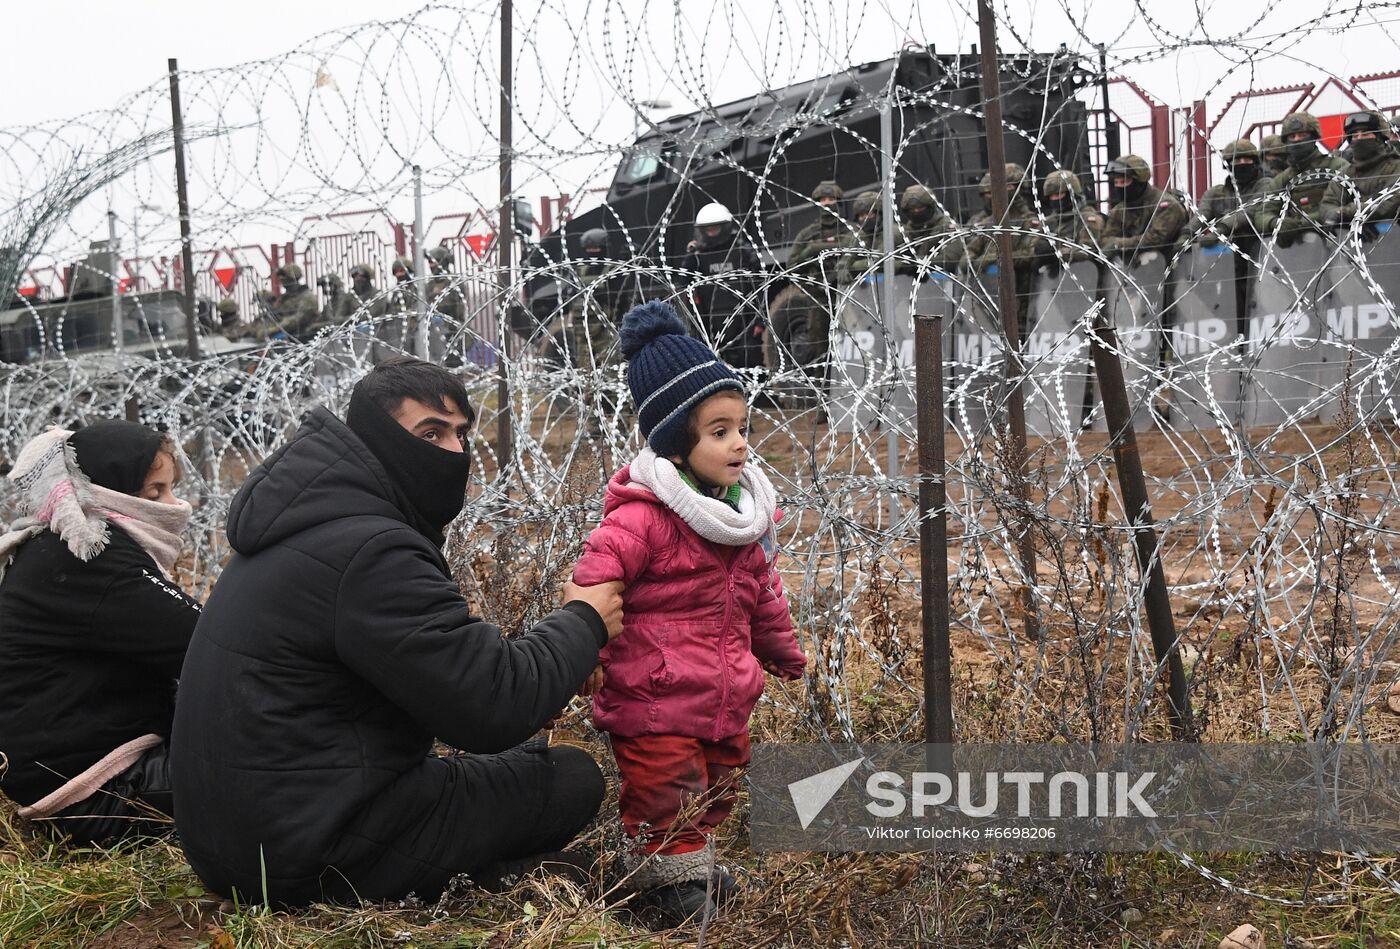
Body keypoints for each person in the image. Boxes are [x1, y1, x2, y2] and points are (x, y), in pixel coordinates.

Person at [171, 357, 624, 906]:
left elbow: (399, 680)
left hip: (241, 838)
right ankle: (507, 881)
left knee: (510, 766)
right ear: (376, 439)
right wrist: (584, 620)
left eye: (461, 434)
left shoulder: (310, 519)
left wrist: (543, 675)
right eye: (430, 433)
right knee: (570, 777)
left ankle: (496, 873)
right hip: (310, 849)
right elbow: (492, 705)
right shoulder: (372, 550)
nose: (455, 453)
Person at [572, 301, 807, 928]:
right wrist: (583, 650)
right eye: (719, 432)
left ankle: (686, 861)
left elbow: (764, 592)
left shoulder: (738, 520)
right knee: (664, 791)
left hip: (723, 693)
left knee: (719, 781)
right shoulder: (642, 516)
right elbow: (595, 580)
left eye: (742, 428)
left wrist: (781, 651)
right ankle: (661, 883)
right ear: (678, 445)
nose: (739, 445)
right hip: (654, 698)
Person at [0, 421, 200, 846]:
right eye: (154, 494)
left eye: (170, 489)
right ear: (109, 491)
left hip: (76, 777)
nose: (175, 505)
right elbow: (206, 644)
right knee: (283, 765)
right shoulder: (90, 556)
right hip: (98, 796)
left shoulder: (67, 543)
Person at [680, 202, 766, 371]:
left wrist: (760, 320)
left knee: (750, 368)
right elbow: (683, 283)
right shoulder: (698, 255)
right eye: (708, 229)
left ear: (724, 227)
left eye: (715, 228)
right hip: (710, 324)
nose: (711, 232)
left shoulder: (742, 250)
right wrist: (690, 256)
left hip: (744, 322)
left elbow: (759, 286)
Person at [1252, 112, 1350, 246]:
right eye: (1292, 136)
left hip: (1337, 244)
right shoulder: (1283, 179)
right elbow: (1262, 214)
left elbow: (1347, 203)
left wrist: (1301, 224)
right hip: (1298, 251)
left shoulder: (1337, 166)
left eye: (1303, 135)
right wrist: (1277, 223)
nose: (1297, 140)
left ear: (1314, 137)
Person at [1321, 111, 1400, 237]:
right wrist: (1348, 223)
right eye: (1354, 135)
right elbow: (1328, 204)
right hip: (1352, 247)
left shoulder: (1396, 167)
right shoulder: (1345, 174)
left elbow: (1389, 202)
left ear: (1380, 137)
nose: (1359, 138)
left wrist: (1346, 212)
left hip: (1392, 241)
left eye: (1365, 134)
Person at [1181, 139, 1271, 246]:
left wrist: (1221, 230)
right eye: (1236, 161)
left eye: (1247, 160)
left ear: (1255, 162)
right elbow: (1201, 216)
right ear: (1227, 165)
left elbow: (1249, 212)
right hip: (1227, 253)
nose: (1242, 163)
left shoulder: (1266, 185)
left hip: (1260, 247)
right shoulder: (1216, 193)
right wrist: (1186, 235)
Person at [1100, 154, 1188, 259]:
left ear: (1139, 181)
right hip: (1136, 269)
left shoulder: (1166, 205)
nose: (1119, 187)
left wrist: (1119, 244)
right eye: (1116, 182)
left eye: (1124, 182)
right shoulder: (1119, 210)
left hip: (1172, 266)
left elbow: (1155, 239)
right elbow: (1106, 240)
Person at [1029, 169, 1105, 265]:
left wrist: (1056, 252)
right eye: (1052, 196)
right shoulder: (1049, 222)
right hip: (1052, 276)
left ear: (1072, 194)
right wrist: (1039, 251)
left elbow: (1087, 250)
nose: (1055, 199)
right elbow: (1032, 249)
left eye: (1059, 194)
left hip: (1083, 273)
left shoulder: (1088, 219)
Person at [269, 263, 321, 341]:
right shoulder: (285, 298)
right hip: (288, 333)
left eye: (284, 275)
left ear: (293, 278)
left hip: (303, 336)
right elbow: (276, 315)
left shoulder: (307, 296)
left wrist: (277, 327)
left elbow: (300, 318)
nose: (281, 279)